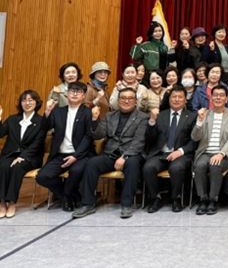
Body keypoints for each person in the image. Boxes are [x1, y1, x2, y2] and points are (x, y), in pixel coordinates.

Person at [73, 87, 148, 219]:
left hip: (131, 154)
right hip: (110, 153)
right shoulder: (109, 116)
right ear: (118, 101)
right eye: (123, 98)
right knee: (92, 163)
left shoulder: (143, 117)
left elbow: (139, 141)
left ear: (136, 101)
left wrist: (124, 157)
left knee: (132, 165)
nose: (126, 101)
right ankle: (87, 204)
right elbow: (98, 135)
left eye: (130, 98)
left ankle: (126, 204)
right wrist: (95, 119)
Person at [37, 82, 94, 212]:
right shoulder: (58, 111)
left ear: (83, 96)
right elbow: (45, 128)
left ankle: (68, 196)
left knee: (76, 171)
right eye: (72, 91)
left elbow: (88, 137)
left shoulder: (87, 112)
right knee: (42, 177)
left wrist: (75, 156)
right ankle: (66, 196)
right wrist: (47, 112)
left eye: (78, 91)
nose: (75, 94)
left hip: (80, 155)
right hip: (60, 155)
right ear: (67, 94)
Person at [143, 85, 197, 213]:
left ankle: (176, 198)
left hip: (181, 154)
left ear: (185, 100)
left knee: (176, 168)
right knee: (148, 167)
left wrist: (180, 151)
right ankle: (155, 198)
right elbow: (150, 139)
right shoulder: (160, 115)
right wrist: (152, 121)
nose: (176, 99)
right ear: (169, 99)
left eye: (180, 97)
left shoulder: (192, 116)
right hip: (161, 153)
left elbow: (194, 141)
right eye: (174, 97)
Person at [191, 85, 228, 215]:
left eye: (221, 95)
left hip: (224, 154)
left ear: (226, 98)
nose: (218, 97)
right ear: (211, 98)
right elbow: (195, 137)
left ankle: (213, 199)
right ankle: (203, 199)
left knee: (215, 165)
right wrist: (199, 122)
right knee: (199, 166)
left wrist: (221, 154)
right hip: (205, 152)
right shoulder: (205, 114)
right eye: (215, 95)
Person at [0, 90, 45, 219]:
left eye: (31, 100)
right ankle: (2, 202)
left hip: (31, 157)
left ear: (36, 103)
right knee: (3, 166)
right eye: (24, 100)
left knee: (17, 167)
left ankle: (12, 202)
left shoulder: (41, 121)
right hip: (10, 155)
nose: (27, 103)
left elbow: (37, 143)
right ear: (20, 103)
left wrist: (23, 156)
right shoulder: (12, 119)